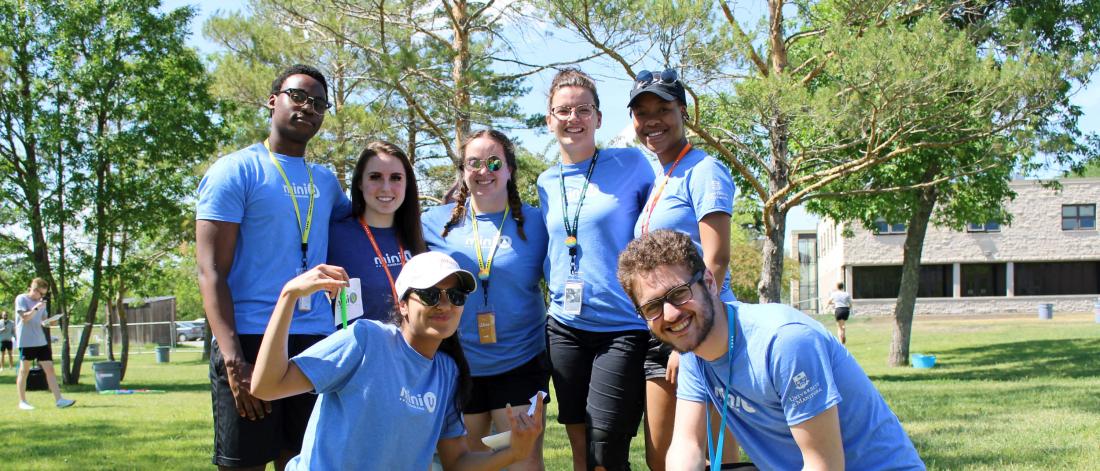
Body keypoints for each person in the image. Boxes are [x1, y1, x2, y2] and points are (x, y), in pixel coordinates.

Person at [617, 230, 925, 470]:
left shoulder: (784, 342)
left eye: (679, 293)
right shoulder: (694, 353)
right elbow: (687, 447)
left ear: (709, 282)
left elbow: (824, 466)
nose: (670, 314)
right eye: (653, 306)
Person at [250, 252, 544, 470]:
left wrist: (516, 453)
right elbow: (267, 386)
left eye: (455, 296)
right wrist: (288, 296)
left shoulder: (447, 372)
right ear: (403, 304)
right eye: (430, 295)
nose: (445, 304)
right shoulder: (365, 339)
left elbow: (457, 462)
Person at [195, 64, 350, 470]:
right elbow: (211, 271)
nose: (308, 108)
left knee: (303, 463)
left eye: (318, 103)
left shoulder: (326, 182)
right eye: (297, 96)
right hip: (250, 340)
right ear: (273, 100)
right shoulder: (235, 171)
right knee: (243, 464)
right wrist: (233, 361)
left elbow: (374, 223)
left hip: (314, 342)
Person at [537, 67, 656, 471]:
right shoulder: (545, 182)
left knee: (606, 447)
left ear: (599, 118)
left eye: (583, 109)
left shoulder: (633, 165)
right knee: (578, 445)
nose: (574, 119)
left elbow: (659, 228)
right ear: (549, 119)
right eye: (563, 110)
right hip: (564, 326)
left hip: (622, 326)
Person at [627, 68, 739, 470]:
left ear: (683, 112)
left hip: (701, 329)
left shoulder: (703, 170)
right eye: (642, 112)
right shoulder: (662, 175)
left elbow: (717, 258)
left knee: (713, 455)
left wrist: (688, 341)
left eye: (663, 108)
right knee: (663, 455)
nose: (651, 120)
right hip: (664, 328)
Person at [422, 129, 550, 470]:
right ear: (463, 170)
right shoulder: (435, 224)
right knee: (468, 464)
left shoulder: (537, 222)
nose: (484, 171)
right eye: (474, 163)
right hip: (461, 368)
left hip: (521, 365)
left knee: (521, 462)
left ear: (510, 169)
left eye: (494, 162)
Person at [328, 141, 427, 324]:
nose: (386, 187)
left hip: (411, 350)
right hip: (357, 349)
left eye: (396, 178)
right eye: (375, 177)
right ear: (359, 182)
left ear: (407, 184)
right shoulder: (333, 237)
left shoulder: (420, 238)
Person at [13, 278, 75, 410]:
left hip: (40, 341)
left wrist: (51, 321)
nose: (42, 297)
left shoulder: (42, 303)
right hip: (26, 341)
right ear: (34, 289)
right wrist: (36, 308)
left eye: (44, 294)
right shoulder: (22, 299)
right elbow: (25, 318)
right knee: (24, 371)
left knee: (50, 369)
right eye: (41, 294)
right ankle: (22, 401)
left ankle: (59, 400)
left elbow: (43, 321)